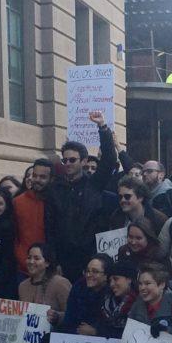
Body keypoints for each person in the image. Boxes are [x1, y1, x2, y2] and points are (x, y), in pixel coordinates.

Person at [52, 111, 118, 280]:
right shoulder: (56, 189)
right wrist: (54, 260)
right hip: (64, 260)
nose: (67, 163)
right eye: (65, 160)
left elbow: (109, 159)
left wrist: (102, 128)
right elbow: (51, 226)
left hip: (90, 258)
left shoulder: (94, 184)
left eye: (72, 160)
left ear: (83, 161)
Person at [12, 158, 60, 277]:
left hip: (51, 269)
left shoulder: (58, 202)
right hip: (24, 268)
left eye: (43, 177)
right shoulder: (18, 202)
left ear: (51, 179)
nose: (37, 180)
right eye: (35, 175)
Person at [79, 259, 137, 339]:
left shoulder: (139, 303)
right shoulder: (105, 302)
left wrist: (96, 332)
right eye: (110, 280)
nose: (112, 284)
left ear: (129, 279)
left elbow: (134, 335)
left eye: (116, 279)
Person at [19, 242, 72, 321]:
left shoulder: (60, 283)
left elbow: (72, 314)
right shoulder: (22, 286)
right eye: (29, 258)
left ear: (47, 263)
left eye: (36, 258)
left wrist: (57, 316)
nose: (31, 262)